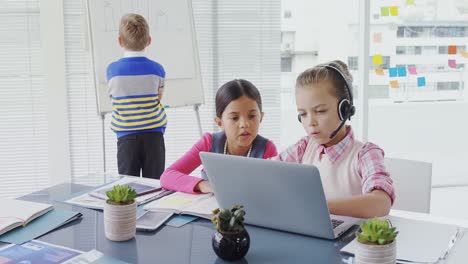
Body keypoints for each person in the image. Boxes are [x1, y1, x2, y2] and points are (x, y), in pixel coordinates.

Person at [272, 60, 394, 218]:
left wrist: (320, 207)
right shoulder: (303, 148)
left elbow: (381, 203)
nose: (310, 122)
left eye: (320, 111)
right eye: (303, 114)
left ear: (345, 109)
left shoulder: (365, 154)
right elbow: (267, 172)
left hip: (353, 240)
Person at [160, 79, 278, 193]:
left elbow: (275, 188)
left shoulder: (267, 149)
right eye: (234, 118)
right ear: (220, 123)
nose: (244, 124)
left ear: (261, 117)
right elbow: (167, 176)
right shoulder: (208, 143)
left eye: (252, 116)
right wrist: (203, 185)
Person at [107, 14, 167, 179]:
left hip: (126, 138)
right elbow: (158, 97)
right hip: (154, 136)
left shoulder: (112, 71)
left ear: (120, 41)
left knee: (128, 186)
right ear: (148, 40)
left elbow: (113, 98)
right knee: (155, 185)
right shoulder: (158, 70)